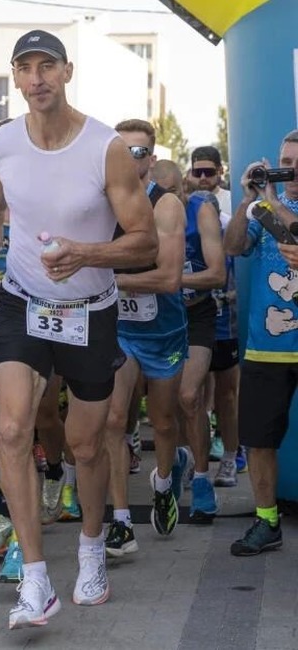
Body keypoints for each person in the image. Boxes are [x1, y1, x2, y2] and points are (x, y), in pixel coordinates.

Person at [0, 30, 157, 629]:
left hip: (90, 311)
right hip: (23, 304)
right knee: (16, 430)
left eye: (47, 65)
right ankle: (36, 578)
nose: (37, 77)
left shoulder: (106, 149)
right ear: (16, 80)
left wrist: (87, 253)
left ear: (67, 72)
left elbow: (145, 242)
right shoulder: (2, 142)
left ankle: (92, 548)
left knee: (84, 444)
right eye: (25, 68)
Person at [102, 120, 187, 557]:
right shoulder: (102, 203)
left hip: (163, 332)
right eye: (123, 151)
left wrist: (107, 279)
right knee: (115, 421)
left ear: (151, 159)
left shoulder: (166, 205)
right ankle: (120, 521)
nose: (130, 159)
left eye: (139, 153)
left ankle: (166, 480)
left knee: (165, 420)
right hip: (118, 330)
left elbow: (170, 278)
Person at [223, 129, 298, 556]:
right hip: (266, 347)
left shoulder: (276, 206)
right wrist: (247, 200)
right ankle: (267, 521)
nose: (289, 169)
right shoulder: (265, 205)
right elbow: (234, 247)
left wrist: (267, 201)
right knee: (259, 439)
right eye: (284, 159)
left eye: (296, 162)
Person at [153, 160, 226, 522]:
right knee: (163, 408)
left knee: (188, 395)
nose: (168, 203)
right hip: (157, 318)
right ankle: (177, 458)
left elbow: (217, 273)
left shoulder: (202, 209)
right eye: (160, 195)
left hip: (196, 316)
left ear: (184, 186)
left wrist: (172, 280)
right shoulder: (142, 209)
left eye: (174, 193)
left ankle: (201, 479)